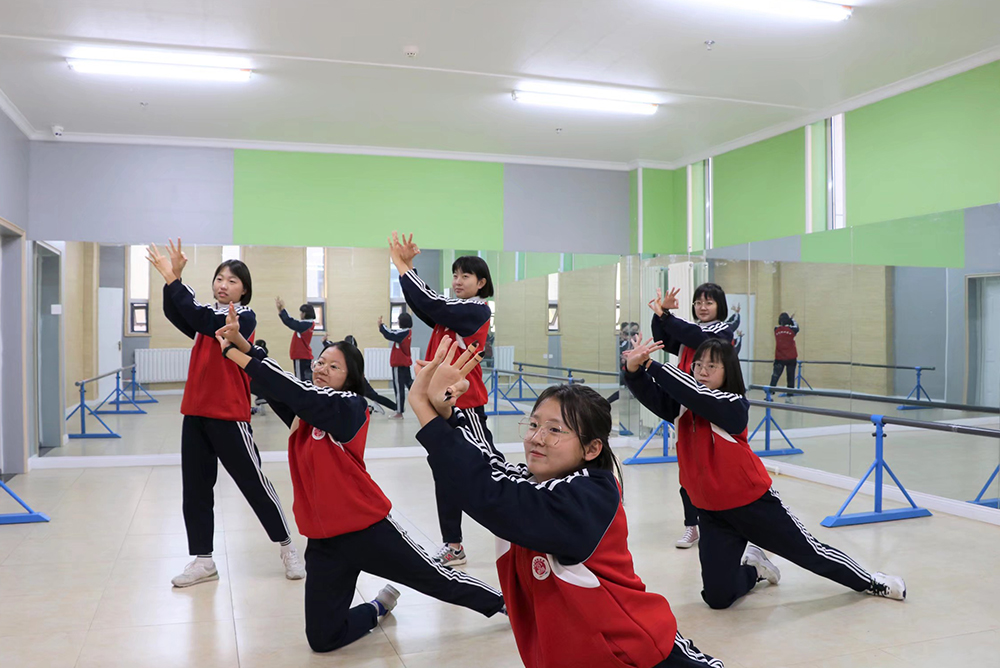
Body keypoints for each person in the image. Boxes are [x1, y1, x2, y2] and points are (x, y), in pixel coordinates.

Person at [408, 337, 726, 668]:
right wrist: (446, 412)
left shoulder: (587, 496)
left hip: (638, 652)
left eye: (555, 430)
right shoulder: (534, 482)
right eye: (534, 425)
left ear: (591, 449)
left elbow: (488, 493)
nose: (537, 438)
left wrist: (422, 406)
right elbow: (488, 465)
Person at [214, 309, 505, 653]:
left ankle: (507, 605)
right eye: (320, 362)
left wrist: (233, 352)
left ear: (350, 378)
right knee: (323, 639)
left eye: (334, 366)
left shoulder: (350, 406)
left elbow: (297, 392)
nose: (321, 369)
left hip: (367, 529)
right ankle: (378, 607)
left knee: (438, 580)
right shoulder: (304, 413)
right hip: (323, 542)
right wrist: (243, 345)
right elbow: (275, 385)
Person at [623, 337, 906, 609]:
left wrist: (651, 365)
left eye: (711, 366)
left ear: (728, 371)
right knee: (717, 598)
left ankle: (871, 581)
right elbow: (651, 392)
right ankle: (756, 568)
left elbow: (697, 395)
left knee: (811, 553)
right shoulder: (682, 408)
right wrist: (634, 369)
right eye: (698, 365)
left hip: (753, 504)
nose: (702, 371)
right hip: (711, 512)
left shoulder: (733, 405)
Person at [146, 240, 304, 588]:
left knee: (254, 484)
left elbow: (202, 318)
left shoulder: (243, 317)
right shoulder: (206, 315)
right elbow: (178, 313)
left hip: (229, 414)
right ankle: (203, 560)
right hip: (195, 413)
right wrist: (174, 279)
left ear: (244, 289)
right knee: (196, 490)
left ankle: (288, 547)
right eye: (219, 278)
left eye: (232, 280)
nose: (223, 284)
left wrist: (173, 278)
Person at [389, 231, 496, 568]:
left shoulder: (476, 310)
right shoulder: (451, 315)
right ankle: (453, 545)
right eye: (455, 275)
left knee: (488, 469)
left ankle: (532, 522)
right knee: (445, 472)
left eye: (465, 276)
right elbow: (424, 303)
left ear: (481, 283)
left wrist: (401, 265)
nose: (457, 281)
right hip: (440, 405)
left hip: (466, 405)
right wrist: (408, 268)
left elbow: (433, 303)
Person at [649, 284, 734, 549]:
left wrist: (667, 317)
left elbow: (699, 339)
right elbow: (665, 339)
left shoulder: (722, 330)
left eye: (708, 302)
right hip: (686, 411)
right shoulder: (689, 330)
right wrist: (659, 315)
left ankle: (727, 523)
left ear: (720, 305)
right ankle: (691, 526)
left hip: (712, 410)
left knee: (717, 470)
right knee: (688, 471)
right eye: (698, 303)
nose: (702, 307)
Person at [378, 313, 413, 419]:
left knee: (399, 388)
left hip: (399, 364)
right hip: (405, 363)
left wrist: (381, 326)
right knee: (410, 384)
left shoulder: (403, 333)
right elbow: (392, 333)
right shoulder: (407, 332)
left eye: (399, 320)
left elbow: (389, 334)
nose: (398, 322)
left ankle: (399, 412)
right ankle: (425, 398)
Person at [276, 298, 316, 382]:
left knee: (299, 380)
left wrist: (282, 310)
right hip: (305, 355)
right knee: (306, 379)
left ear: (305, 314)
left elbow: (290, 322)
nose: (300, 314)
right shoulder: (309, 324)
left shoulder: (305, 325)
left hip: (301, 355)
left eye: (301, 312)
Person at [770, 312, 800, 392]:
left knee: (775, 376)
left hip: (779, 357)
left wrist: (788, 321)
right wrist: (792, 320)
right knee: (790, 377)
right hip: (791, 357)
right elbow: (797, 327)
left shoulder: (776, 329)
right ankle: (790, 394)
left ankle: (770, 392)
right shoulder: (792, 330)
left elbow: (780, 326)